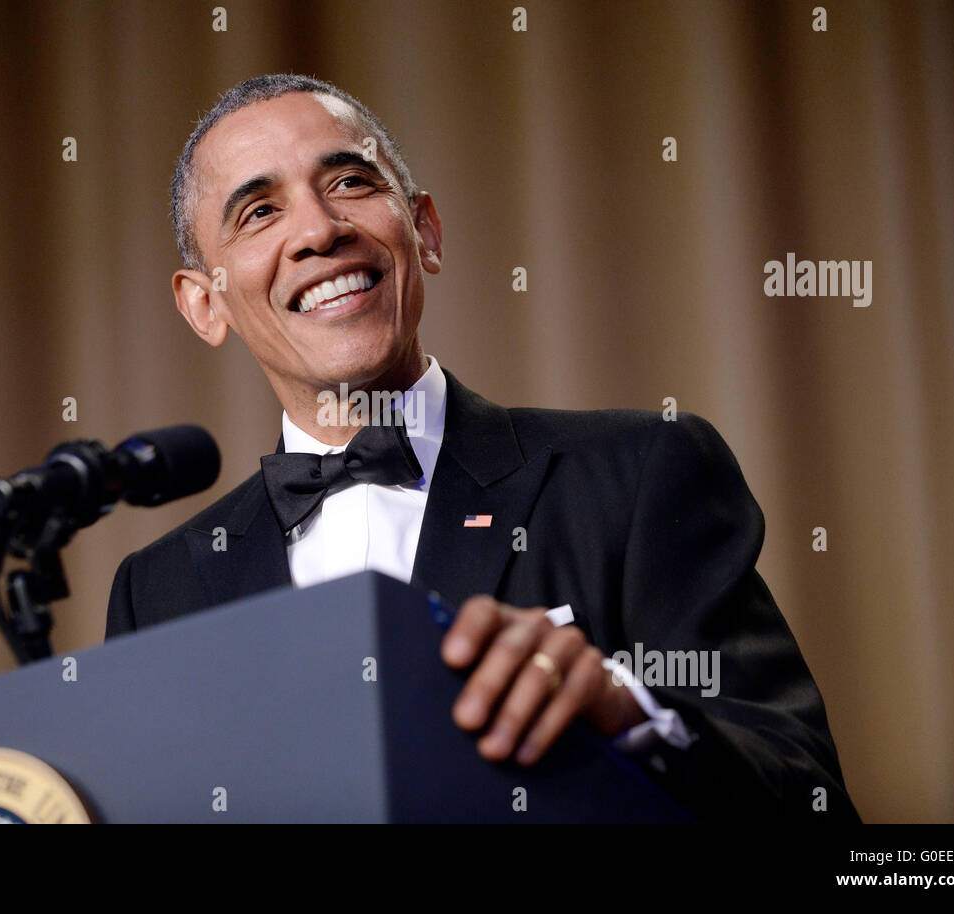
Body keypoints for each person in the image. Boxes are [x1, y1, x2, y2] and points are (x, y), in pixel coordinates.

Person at [105, 74, 859, 822]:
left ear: (424, 230)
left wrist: (627, 713)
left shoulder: (639, 472)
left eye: (351, 181)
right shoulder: (159, 591)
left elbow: (808, 800)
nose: (317, 230)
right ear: (205, 304)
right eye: (261, 210)